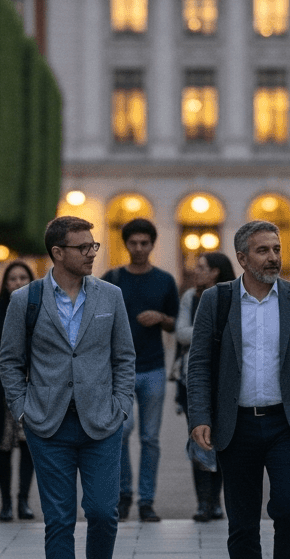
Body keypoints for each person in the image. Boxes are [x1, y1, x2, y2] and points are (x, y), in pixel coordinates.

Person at [186, 220, 290, 559]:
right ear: (242, 258)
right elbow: (199, 363)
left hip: (288, 425)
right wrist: (200, 417)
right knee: (243, 523)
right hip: (236, 426)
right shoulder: (216, 300)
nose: (272, 257)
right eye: (262, 250)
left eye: (276, 249)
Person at [0, 216, 135, 559]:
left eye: (93, 246)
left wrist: (121, 406)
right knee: (59, 520)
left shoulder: (111, 295)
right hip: (48, 424)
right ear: (58, 252)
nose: (92, 252)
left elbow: (124, 357)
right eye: (83, 247)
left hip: (102, 422)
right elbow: (10, 361)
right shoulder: (24, 300)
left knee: (104, 514)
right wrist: (22, 409)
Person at [101, 217, 179, 522]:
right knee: (122, 431)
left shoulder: (164, 280)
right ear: (126, 245)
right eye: (133, 243)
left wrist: (160, 317)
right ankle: (124, 495)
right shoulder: (112, 278)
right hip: (118, 369)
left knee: (150, 438)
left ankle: (147, 500)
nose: (138, 248)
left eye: (144, 243)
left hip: (154, 367)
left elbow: (176, 321)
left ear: (152, 244)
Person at [175, 251, 236, 522]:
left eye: (201, 267)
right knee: (199, 440)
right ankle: (203, 502)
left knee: (223, 443)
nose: (196, 270)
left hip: (226, 380)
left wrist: (202, 333)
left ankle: (217, 501)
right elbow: (181, 332)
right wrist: (211, 332)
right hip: (194, 379)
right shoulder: (191, 297)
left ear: (215, 272)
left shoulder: (233, 296)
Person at [0, 260, 37, 521]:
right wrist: (5, 352)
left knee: (29, 447)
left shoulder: (39, 307)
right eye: (12, 278)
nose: (17, 282)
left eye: (23, 277)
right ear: (5, 282)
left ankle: (23, 500)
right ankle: (5, 503)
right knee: (3, 447)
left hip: (32, 385)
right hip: (1, 386)